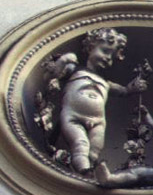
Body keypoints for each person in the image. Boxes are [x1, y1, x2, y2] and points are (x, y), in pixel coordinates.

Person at [47, 28, 146, 173]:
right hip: (73, 116)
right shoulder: (75, 70)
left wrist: (133, 88)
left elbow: (124, 91)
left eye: (111, 57)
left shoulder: (106, 82)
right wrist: (63, 60)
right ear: (90, 47)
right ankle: (83, 170)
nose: (107, 58)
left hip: (98, 121)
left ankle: (90, 170)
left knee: (95, 149)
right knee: (80, 143)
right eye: (105, 51)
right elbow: (53, 75)